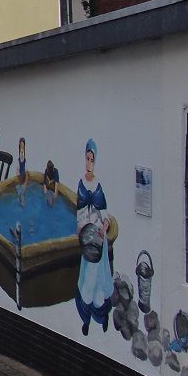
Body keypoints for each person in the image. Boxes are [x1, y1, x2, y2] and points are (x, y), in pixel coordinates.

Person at [75, 139, 114, 336]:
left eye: (92, 159)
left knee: (100, 280)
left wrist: (104, 227)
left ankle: (102, 315)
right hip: (86, 237)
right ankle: (86, 320)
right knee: (87, 280)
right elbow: (79, 211)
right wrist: (81, 228)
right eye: (87, 158)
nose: (89, 163)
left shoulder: (99, 185)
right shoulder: (81, 183)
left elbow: (105, 214)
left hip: (98, 236)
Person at [15, 137, 28, 206]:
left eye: (23, 147)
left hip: (23, 177)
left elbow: (26, 171)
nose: (22, 149)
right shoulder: (18, 160)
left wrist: (25, 182)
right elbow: (17, 169)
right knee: (19, 190)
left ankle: (22, 201)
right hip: (20, 177)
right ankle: (20, 200)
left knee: (22, 192)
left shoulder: (24, 161)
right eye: (21, 147)